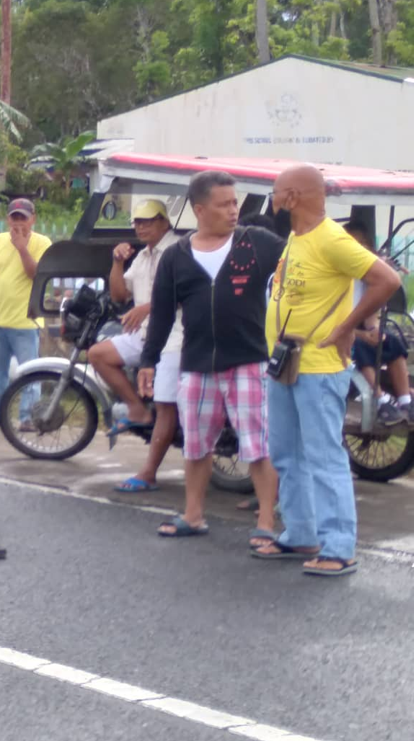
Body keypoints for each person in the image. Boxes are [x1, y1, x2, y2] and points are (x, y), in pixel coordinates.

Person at [252, 166, 401, 577]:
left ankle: (339, 546)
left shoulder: (332, 239)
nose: (273, 199)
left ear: (294, 197)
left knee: (323, 456)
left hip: (317, 366)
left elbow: (384, 280)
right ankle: (301, 532)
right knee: (287, 452)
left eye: (277, 192)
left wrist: (345, 327)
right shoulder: (296, 240)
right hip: (286, 361)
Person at [138, 171, 284, 547]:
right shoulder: (177, 256)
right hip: (198, 365)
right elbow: (163, 314)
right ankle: (193, 514)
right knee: (197, 446)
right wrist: (148, 360)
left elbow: (299, 270)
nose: (234, 210)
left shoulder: (260, 244)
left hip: (250, 362)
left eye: (235, 203)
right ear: (200, 210)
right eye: (224, 204)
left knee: (257, 445)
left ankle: (266, 522)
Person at [87, 200, 183, 493]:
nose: (140, 226)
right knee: (97, 353)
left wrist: (147, 308)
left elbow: (188, 292)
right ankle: (136, 409)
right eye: (137, 222)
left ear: (164, 222)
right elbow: (118, 294)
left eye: (147, 221)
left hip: (175, 336)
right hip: (145, 335)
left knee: (166, 405)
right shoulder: (143, 256)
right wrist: (117, 262)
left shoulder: (179, 250)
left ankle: (149, 472)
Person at [0, 198, 51, 428]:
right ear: (8, 219)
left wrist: (22, 248)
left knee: (29, 373)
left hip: (26, 322)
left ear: (33, 219)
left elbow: (36, 274)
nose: (18, 223)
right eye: (14, 218)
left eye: (23, 218)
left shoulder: (42, 243)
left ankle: (27, 417)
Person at [343, 220, 409, 425]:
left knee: (392, 342)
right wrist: (363, 335)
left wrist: (374, 330)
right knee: (360, 347)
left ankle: (405, 400)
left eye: (362, 244)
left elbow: (372, 312)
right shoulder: (337, 275)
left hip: (360, 331)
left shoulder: (367, 277)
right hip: (342, 335)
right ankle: (380, 400)